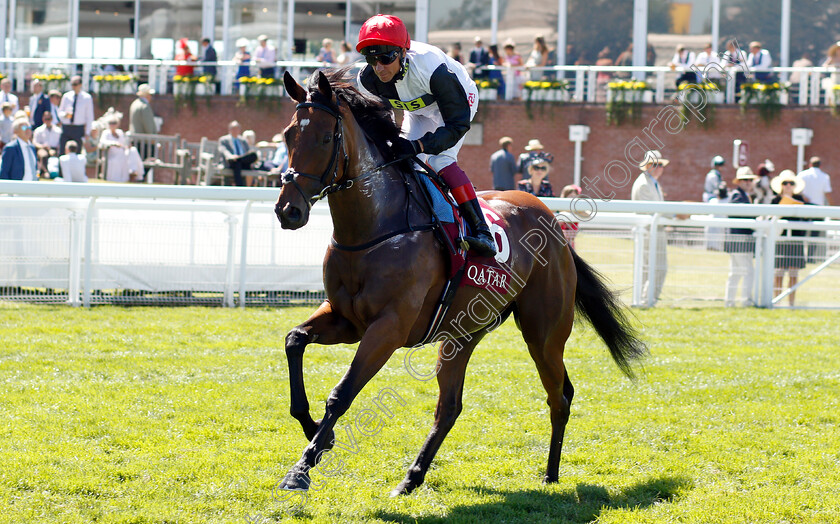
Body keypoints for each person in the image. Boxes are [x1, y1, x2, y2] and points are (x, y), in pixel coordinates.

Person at [355, 14, 496, 257]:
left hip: (455, 106)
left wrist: (419, 144)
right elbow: (380, 126)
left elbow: (457, 126)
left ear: (402, 52)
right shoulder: (367, 80)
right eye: (371, 59)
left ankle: (483, 231)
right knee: (397, 160)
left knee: (439, 160)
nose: (379, 68)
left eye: (386, 58)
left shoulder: (432, 69)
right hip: (417, 110)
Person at [631, 150, 670, 305]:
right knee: (656, 267)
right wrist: (675, 216)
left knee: (652, 268)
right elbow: (652, 210)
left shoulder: (652, 182)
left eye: (661, 165)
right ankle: (647, 300)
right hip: (649, 231)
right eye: (656, 164)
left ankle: (647, 299)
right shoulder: (644, 185)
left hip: (654, 230)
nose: (660, 167)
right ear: (647, 166)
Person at [770, 170, 808, 306]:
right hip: (780, 240)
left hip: (795, 240)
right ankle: (777, 301)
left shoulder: (801, 200)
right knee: (778, 272)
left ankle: (791, 303)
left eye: (791, 183)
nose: (788, 185)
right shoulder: (775, 201)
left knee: (793, 273)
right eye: (785, 183)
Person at [723, 167, 758, 307]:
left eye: (750, 180)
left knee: (736, 273)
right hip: (740, 241)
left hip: (738, 241)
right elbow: (743, 214)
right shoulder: (738, 195)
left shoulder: (743, 195)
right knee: (748, 272)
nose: (748, 182)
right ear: (739, 181)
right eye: (745, 180)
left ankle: (730, 301)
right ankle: (746, 301)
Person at [798, 156, 832, 263]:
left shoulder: (802, 174)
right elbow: (827, 193)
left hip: (804, 206)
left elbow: (796, 188)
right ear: (820, 165)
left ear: (810, 164)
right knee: (814, 234)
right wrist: (832, 206)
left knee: (801, 232)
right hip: (818, 208)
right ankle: (810, 258)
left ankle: (800, 257)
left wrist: (803, 196)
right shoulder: (824, 176)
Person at [99, 115, 144, 182]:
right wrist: (113, 143)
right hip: (112, 155)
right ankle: (130, 175)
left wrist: (127, 146)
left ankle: (133, 172)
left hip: (122, 152)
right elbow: (102, 142)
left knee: (133, 150)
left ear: (117, 124)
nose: (112, 125)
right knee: (121, 158)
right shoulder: (106, 133)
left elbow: (124, 144)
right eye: (110, 123)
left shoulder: (120, 132)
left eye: (114, 123)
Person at [58, 75, 95, 155]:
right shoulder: (66, 96)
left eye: (75, 84)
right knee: (62, 152)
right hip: (66, 127)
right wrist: (65, 115)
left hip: (78, 129)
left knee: (77, 153)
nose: (73, 87)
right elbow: (60, 112)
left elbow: (89, 116)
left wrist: (88, 132)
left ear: (80, 85)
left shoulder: (87, 98)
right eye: (72, 84)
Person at [219, 120, 258, 187]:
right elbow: (223, 150)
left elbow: (248, 152)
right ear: (230, 130)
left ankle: (247, 187)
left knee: (253, 155)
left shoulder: (243, 140)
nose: (235, 130)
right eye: (233, 129)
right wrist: (231, 156)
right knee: (237, 163)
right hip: (231, 161)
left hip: (242, 161)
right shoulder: (224, 140)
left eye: (237, 129)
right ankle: (239, 187)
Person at [32, 110, 61, 176]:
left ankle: (57, 173)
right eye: (46, 119)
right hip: (42, 148)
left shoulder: (58, 130)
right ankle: (44, 172)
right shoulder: (38, 130)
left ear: (52, 119)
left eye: (49, 119)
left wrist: (55, 150)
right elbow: (34, 142)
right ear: (43, 119)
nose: (47, 121)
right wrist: (42, 146)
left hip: (54, 149)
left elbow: (59, 143)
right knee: (43, 155)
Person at [559, 184, 583, 248]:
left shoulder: (576, 211)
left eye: (574, 196)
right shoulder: (560, 210)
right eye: (570, 196)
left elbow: (588, 214)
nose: (572, 198)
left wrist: (576, 210)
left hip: (571, 244)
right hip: (559, 243)